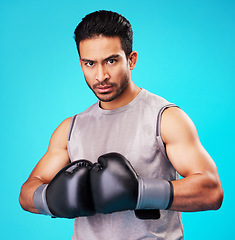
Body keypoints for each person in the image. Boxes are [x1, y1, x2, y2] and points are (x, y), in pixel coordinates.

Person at [19, 10, 223, 240]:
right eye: (90, 63)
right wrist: (52, 198)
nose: (101, 75)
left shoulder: (164, 118)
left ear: (131, 59)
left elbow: (211, 191)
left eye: (111, 61)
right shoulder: (71, 128)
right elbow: (26, 194)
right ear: (81, 64)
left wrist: (140, 193)